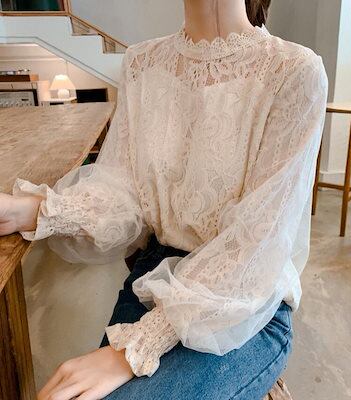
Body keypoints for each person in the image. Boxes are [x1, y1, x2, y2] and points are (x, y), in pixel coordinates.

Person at [0, 0, 328, 398]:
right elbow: (122, 190)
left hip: (246, 305)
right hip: (153, 283)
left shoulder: (293, 71)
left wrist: (132, 349)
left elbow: (259, 240)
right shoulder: (142, 64)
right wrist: (35, 211)